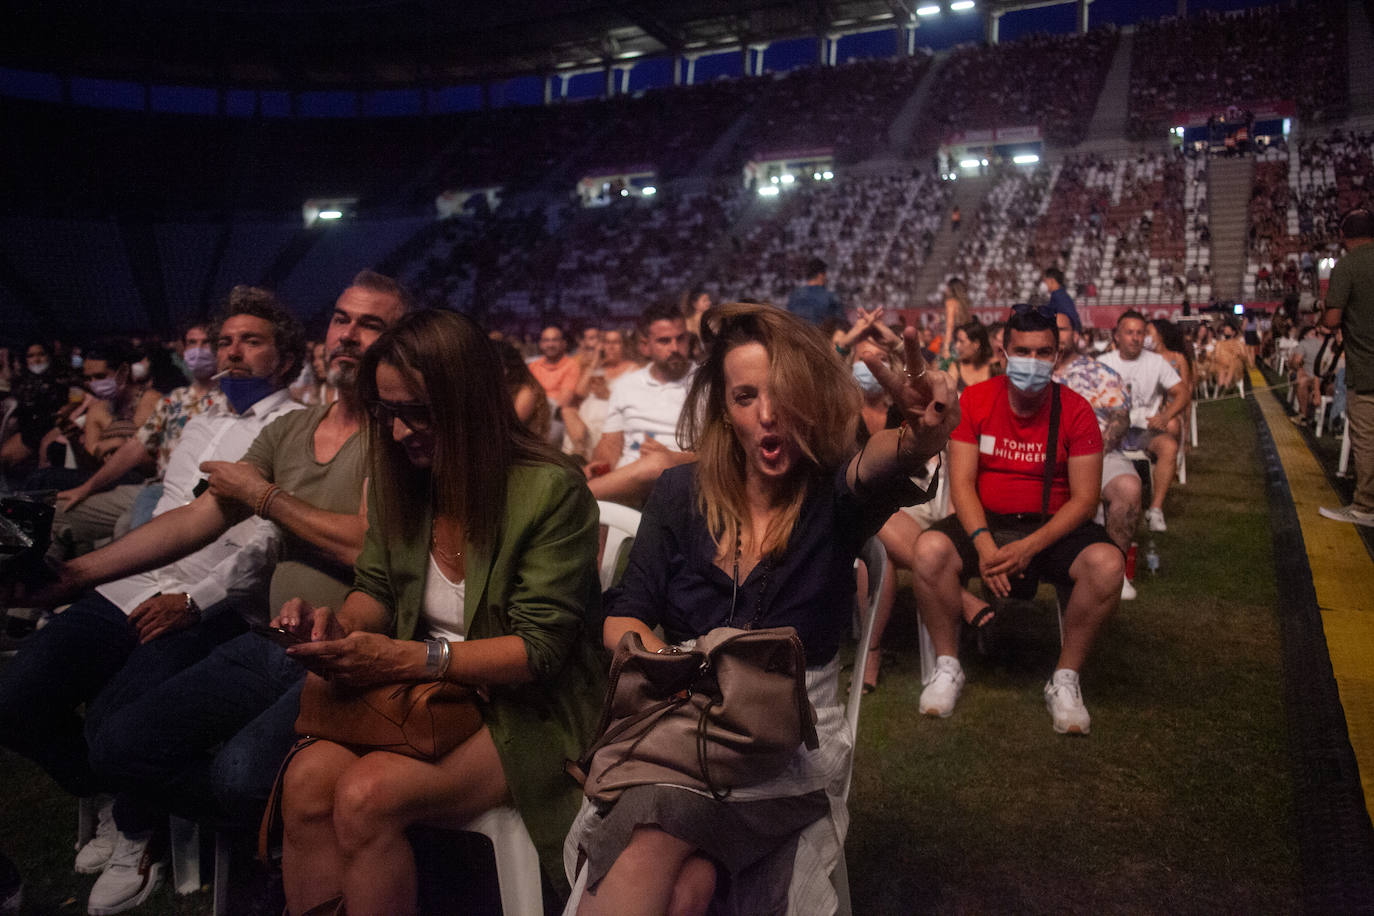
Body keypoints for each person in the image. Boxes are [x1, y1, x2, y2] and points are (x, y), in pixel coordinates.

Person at [32, 272, 408, 912]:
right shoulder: (292, 432)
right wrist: (74, 575)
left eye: (371, 325)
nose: (350, 335)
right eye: (342, 319)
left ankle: (281, 848)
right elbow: (196, 518)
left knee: (236, 777)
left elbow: (367, 545)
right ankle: (278, 840)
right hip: (270, 638)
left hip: (347, 648)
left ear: (402, 342)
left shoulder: (400, 435)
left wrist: (264, 497)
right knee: (118, 746)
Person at [566, 302, 957, 915]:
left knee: (645, 832)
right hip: (681, 724)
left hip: (790, 747)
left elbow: (877, 462)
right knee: (684, 888)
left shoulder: (832, 493)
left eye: (782, 395)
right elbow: (625, 617)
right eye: (746, 397)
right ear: (723, 406)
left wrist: (916, 440)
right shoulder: (678, 493)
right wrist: (683, 668)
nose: (768, 416)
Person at [275, 310, 605, 914]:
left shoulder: (549, 490)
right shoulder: (405, 477)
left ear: (470, 402)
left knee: (364, 797)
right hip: (426, 698)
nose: (401, 433)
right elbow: (374, 588)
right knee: (304, 784)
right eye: (387, 412)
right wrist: (340, 627)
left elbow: (540, 651)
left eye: (420, 413)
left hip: (530, 707)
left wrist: (410, 656)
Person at [0, 290, 307, 915]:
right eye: (225, 341)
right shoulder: (197, 421)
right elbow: (173, 515)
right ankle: (117, 799)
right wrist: (81, 576)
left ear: (286, 355)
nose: (231, 352)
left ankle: (138, 834)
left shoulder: (294, 428)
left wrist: (196, 599)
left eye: (251, 341)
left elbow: (268, 543)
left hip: (210, 606)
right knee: (15, 699)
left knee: (118, 719)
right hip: (127, 587)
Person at [912, 303, 1123, 734]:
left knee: (1108, 565)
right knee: (928, 549)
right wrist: (986, 546)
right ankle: (949, 664)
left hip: (1051, 526)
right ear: (1003, 351)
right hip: (987, 521)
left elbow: (1084, 501)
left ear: (1057, 355)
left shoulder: (1078, 411)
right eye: (1022, 351)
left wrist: (1029, 547)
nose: (1032, 361)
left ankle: (1065, 678)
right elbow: (963, 483)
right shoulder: (975, 400)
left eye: (1043, 352)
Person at [54, 324, 224, 548]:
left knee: (131, 530)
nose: (198, 350)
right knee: (55, 514)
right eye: (192, 343)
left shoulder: (229, 399)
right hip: (155, 486)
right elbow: (136, 447)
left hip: (194, 492)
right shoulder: (175, 399)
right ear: (183, 349)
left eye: (206, 343)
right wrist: (86, 488)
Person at [1051, 312, 1137, 600]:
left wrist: (1093, 451)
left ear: (1075, 334)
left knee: (1128, 488)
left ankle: (1116, 571)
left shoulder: (1099, 373)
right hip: (1043, 457)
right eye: (1051, 329)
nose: (1056, 334)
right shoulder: (1030, 375)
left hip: (1097, 452)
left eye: (1062, 329)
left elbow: (1120, 418)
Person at [587, 301, 697, 507]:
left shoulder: (707, 384)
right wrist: (600, 464)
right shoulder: (626, 385)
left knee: (658, 464)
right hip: (625, 484)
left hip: (681, 482)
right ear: (645, 346)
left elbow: (721, 455)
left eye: (680, 339)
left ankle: (578, 496)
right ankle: (588, 495)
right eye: (664, 341)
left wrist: (674, 459)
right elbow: (611, 444)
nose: (675, 348)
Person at [1099, 311, 1189, 532]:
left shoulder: (1156, 362)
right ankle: (1095, 506)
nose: (1135, 337)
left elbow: (1182, 392)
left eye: (1140, 333)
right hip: (1110, 430)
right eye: (1129, 332)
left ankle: (1155, 510)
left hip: (1142, 428)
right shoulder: (1103, 363)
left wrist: (1166, 416)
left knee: (1169, 446)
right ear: (1117, 336)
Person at [1319, 208, 1374, 525]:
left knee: (1366, 439)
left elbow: (1332, 320)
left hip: (1366, 369)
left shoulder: (1348, 265)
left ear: (1344, 236)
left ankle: (1365, 505)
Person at [530, 325, 581, 409]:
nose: (550, 345)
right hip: (535, 412)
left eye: (555, 340)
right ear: (541, 344)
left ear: (563, 344)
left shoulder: (571, 365)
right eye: (546, 340)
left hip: (557, 416)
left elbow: (563, 402)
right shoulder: (533, 366)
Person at [785, 257, 845, 326]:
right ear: (821, 275)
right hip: (822, 335)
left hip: (799, 335)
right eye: (825, 274)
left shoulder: (793, 296)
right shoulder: (831, 297)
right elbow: (842, 326)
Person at [1042, 267, 1082, 332]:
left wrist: (1076, 331)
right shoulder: (1056, 296)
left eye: (1045, 281)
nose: (1044, 284)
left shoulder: (1060, 297)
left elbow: (1072, 315)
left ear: (1051, 281)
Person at [940, 278, 971, 360]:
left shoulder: (950, 303)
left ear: (951, 288)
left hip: (953, 342)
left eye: (947, 286)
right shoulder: (962, 304)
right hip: (962, 341)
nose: (945, 289)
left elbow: (949, 326)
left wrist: (946, 348)